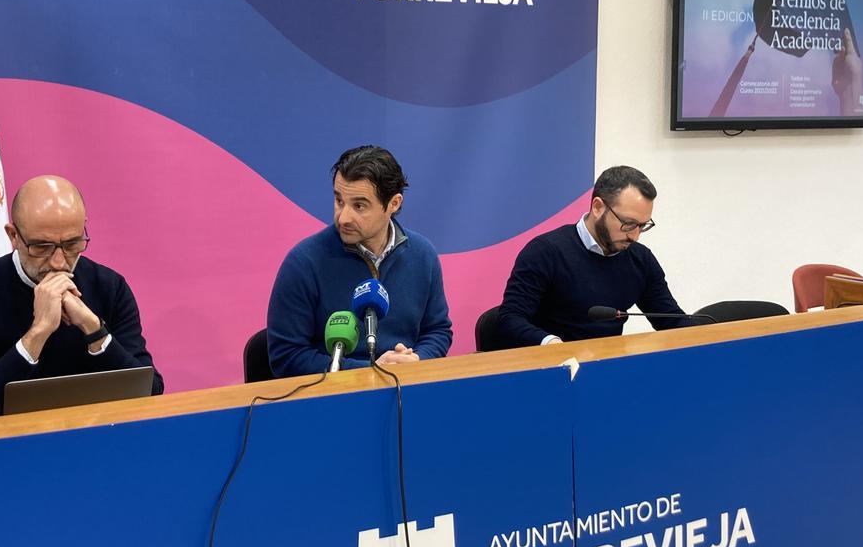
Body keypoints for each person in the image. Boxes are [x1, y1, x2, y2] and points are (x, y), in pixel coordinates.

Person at [0, 175, 161, 422]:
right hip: (5, 450)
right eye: (41, 247)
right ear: (13, 236)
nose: (59, 262)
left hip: (94, 443)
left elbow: (150, 391)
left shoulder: (110, 288)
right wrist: (37, 334)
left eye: (72, 244)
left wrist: (94, 330)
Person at [267, 145, 452, 377]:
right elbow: (287, 356)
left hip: (406, 389)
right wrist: (371, 372)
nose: (343, 217)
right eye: (339, 200)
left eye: (359, 205)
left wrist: (417, 360)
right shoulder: (303, 263)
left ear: (393, 204)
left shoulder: (422, 254)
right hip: (331, 398)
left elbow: (437, 330)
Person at [497, 165, 691, 347]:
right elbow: (510, 319)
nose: (635, 236)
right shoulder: (545, 252)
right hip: (552, 367)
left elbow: (670, 319)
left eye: (642, 225)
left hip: (607, 368)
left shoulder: (641, 259)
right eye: (629, 223)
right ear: (598, 207)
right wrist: (551, 344)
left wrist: (709, 336)